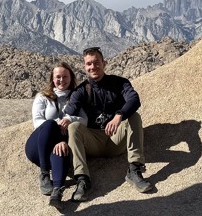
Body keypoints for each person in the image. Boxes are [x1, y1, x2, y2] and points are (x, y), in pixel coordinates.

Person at [61, 46, 152, 202]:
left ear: (104, 63)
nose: (93, 67)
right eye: (89, 64)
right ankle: (82, 179)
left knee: (134, 117)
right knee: (73, 126)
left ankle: (134, 169)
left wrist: (119, 115)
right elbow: (68, 113)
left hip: (116, 138)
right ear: (84, 67)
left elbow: (134, 100)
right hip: (93, 142)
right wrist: (64, 122)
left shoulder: (119, 83)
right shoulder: (81, 91)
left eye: (97, 62)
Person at [25, 62, 86, 206]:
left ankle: (57, 192)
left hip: (59, 145)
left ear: (71, 78)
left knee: (61, 149)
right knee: (50, 124)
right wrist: (58, 123)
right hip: (39, 146)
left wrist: (70, 119)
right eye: (58, 77)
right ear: (52, 79)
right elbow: (37, 122)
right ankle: (44, 173)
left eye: (65, 76)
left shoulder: (76, 97)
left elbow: (85, 120)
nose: (61, 80)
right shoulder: (42, 97)